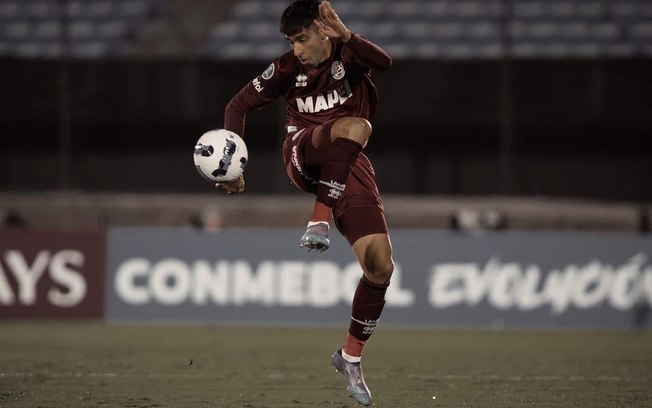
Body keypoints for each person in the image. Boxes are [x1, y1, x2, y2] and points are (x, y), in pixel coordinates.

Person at [218, 1, 394, 405]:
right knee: (355, 125)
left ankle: (349, 357)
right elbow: (237, 106)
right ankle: (318, 221)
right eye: (291, 41)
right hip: (303, 152)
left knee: (380, 266)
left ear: (323, 32)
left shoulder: (349, 53)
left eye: (302, 38)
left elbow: (384, 62)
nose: (296, 48)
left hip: (348, 162)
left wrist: (348, 36)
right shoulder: (286, 70)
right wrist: (232, 162)